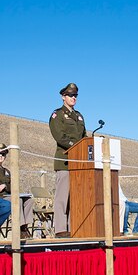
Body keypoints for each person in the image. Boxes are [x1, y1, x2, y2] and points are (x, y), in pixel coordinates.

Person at [49, 82, 87, 237]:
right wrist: (76, 146)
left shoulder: (79, 116)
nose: (73, 98)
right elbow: (59, 136)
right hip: (65, 161)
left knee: (75, 198)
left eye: (75, 96)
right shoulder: (57, 115)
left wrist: (85, 147)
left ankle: (73, 227)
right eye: (70, 95)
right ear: (63, 97)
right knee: (62, 197)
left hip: (78, 163)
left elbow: (84, 136)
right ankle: (60, 229)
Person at [0, 142, 34, 239]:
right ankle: (19, 230)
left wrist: (5, 186)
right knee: (17, 201)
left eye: (3, 154)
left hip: (6, 195)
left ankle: (24, 228)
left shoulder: (7, 171)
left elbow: (12, 186)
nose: (1, 156)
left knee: (29, 200)